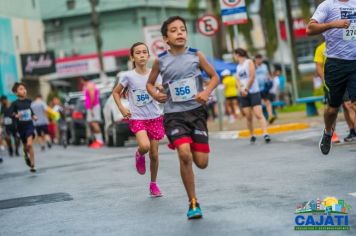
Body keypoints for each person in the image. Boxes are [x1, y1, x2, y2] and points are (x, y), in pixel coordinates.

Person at [146, 16, 219, 219]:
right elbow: (150, 84)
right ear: (165, 38)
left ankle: (195, 148)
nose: (180, 33)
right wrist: (155, 94)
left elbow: (214, 77)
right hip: (174, 115)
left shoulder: (197, 56)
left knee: (202, 162)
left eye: (182, 29)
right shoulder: (161, 60)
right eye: (174, 30)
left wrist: (206, 93)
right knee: (184, 154)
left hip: (196, 113)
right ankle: (193, 202)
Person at [112, 42, 165, 197]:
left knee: (154, 155)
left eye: (144, 52)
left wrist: (162, 92)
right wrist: (122, 108)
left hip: (154, 117)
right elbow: (116, 93)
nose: (142, 55)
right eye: (138, 53)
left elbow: (161, 89)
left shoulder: (155, 74)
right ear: (132, 57)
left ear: (148, 56)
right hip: (138, 118)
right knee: (145, 146)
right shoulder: (128, 76)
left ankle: (153, 184)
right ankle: (139, 154)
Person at [307, 0, 356, 155]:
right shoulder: (327, 5)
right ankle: (328, 132)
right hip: (336, 64)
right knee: (332, 109)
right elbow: (310, 28)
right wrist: (333, 24)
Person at [314, 41, 356, 143]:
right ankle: (331, 134)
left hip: (347, 78)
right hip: (331, 82)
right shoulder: (321, 48)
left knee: (348, 105)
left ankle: (352, 131)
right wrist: (325, 80)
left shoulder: (347, 44)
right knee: (333, 109)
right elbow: (318, 66)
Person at [234, 48, 271, 144]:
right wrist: (240, 89)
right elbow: (237, 79)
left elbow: (252, 76)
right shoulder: (238, 67)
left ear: (238, 55)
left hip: (253, 91)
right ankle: (252, 134)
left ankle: (265, 133)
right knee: (248, 116)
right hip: (243, 93)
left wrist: (246, 88)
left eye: (235, 55)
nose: (234, 57)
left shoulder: (249, 62)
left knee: (258, 114)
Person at [11, 82, 38, 172]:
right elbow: (12, 113)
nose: (23, 90)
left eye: (24, 88)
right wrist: (16, 115)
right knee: (26, 146)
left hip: (29, 125)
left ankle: (33, 164)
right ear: (16, 92)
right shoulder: (15, 103)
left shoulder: (29, 101)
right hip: (20, 127)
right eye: (21, 89)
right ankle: (26, 154)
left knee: (30, 144)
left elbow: (31, 110)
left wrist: (34, 116)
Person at [81, 78, 104, 148]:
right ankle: (97, 140)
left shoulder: (90, 85)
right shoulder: (89, 85)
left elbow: (92, 96)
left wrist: (91, 108)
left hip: (93, 107)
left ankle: (100, 141)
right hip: (92, 107)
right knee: (93, 124)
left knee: (95, 123)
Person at [255, 54, 276, 124]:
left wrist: (270, 80)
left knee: (267, 101)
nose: (259, 60)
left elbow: (267, 74)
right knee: (259, 104)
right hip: (256, 88)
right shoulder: (253, 66)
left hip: (264, 87)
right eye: (257, 59)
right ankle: (262, 118)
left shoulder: (264, 66)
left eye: (260, 59)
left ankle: (270, 116)